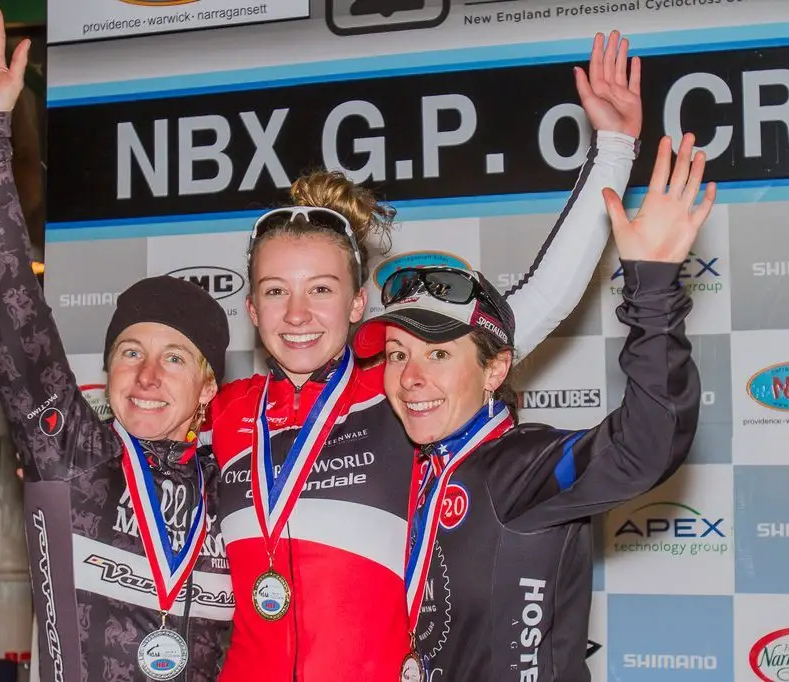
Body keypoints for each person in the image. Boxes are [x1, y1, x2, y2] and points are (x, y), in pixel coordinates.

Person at [208, 31, 644, 682]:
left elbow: (542, 296)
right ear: (251, 309)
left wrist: (612, 150)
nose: (297, 315)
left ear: (358, 303)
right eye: (276, 292)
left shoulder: (404, 379)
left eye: (320, 290)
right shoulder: (226, 410)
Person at [350, 132, 714, 682]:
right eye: (398, 354)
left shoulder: (523, 468)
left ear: (494, 371)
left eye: (439, 354)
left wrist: (655, 289)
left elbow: (645, 446)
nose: (411, 377)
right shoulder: (403, 467)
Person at [0, 3, 233, 681]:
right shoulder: (72, 453)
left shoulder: (243, 490)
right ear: (106, 372)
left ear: (209, 385)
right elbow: (18, 314)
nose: (148, 374)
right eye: (130, 351)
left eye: (174, 357)